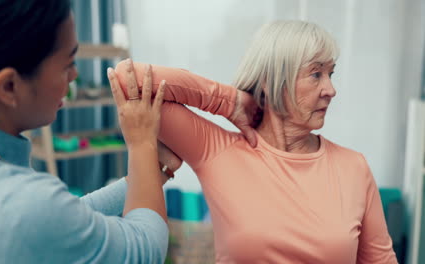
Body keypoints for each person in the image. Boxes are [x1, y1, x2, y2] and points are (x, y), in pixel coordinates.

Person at [115, 20, 398, 263]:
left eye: (330, 73)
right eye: (316, 74)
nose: (330, 90)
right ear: (271, 80)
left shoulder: (353, 167)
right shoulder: (217, 151)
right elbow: (129, 82)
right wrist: (228, 101)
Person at [0, 0, 182, 263]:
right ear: (8, 86)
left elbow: (66, 221)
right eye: (67, 65)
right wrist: (142, 143)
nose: (75, 75)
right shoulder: (21, 204)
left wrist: (152, 169)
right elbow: (144, 249)